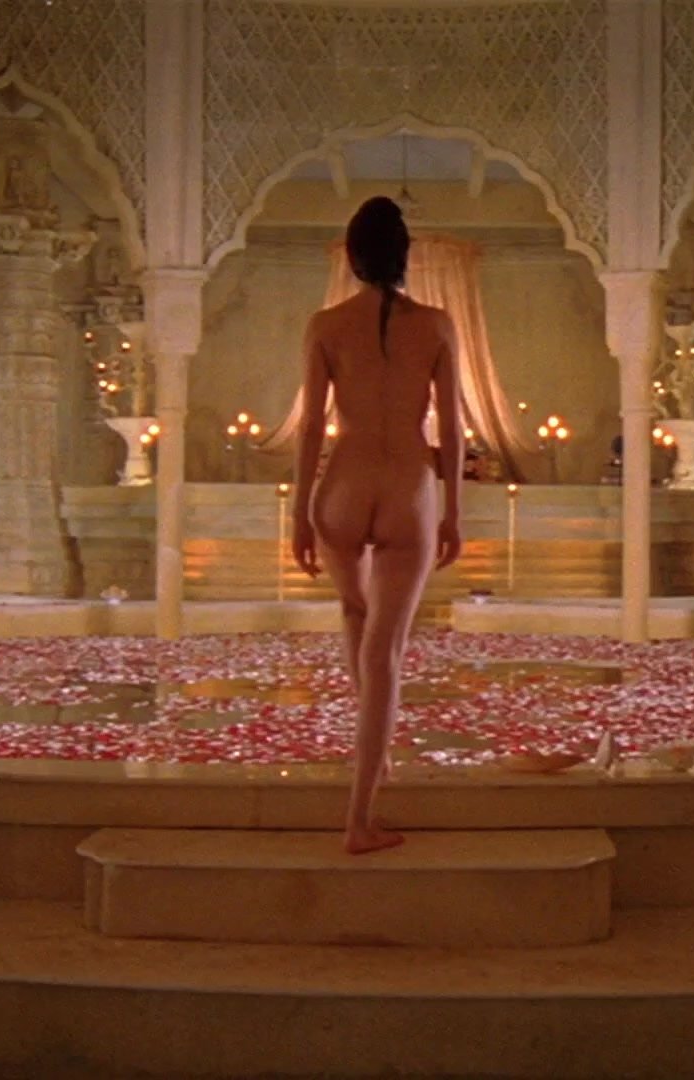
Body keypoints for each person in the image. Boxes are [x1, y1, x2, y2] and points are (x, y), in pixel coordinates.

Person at [291, 197, 464, 854]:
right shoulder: (437, 326)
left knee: (355, 617)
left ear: (353, 257)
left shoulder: (326, 325)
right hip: (406, 487)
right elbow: (451, 429)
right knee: (384, 652)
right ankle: (359, 818)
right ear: (404, 256)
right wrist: (453, 511)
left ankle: (374, 752)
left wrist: (299, 512)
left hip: (343, 483)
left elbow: (312, 427)